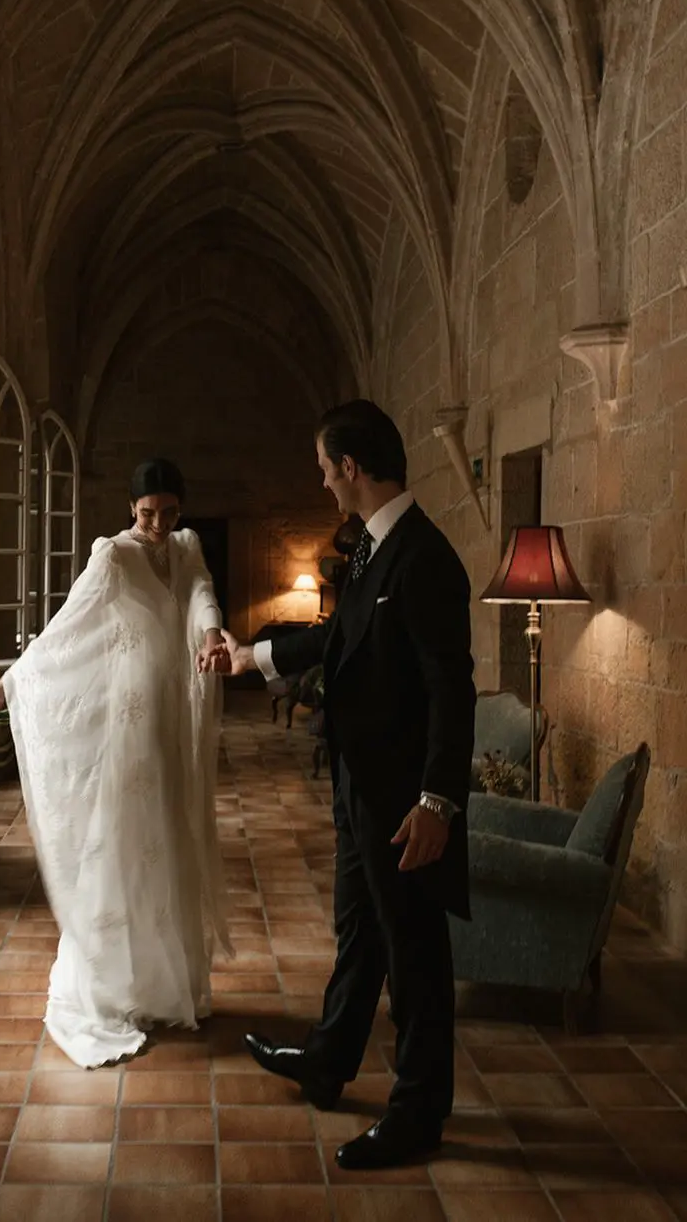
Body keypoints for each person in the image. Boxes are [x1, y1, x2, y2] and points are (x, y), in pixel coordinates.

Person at [221, 400, 475, 1171]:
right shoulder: (372, 548)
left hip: (405, 804)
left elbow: (451, 689)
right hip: (361, 790)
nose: (325, 481)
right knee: (359, 936)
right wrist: (255, 658)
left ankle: (418, 1114)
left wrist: (437, 800)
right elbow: (340, 638)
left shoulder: (426, 558)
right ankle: (330, 1060)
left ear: (354, 467)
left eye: (327, 468)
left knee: (416, 959)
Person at [0, 458, 233, 1069]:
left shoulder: (187, 545)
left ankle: (165, 984)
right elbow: (61, 633)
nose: (159, 525)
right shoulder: (112, 556)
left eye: (170, 512)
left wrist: (213, 634)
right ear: (130, 509)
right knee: (125, 841)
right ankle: (111, 985)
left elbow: (199, 594)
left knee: (169, 836)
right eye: (148, 514)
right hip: (132, 718)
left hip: (172, 713)